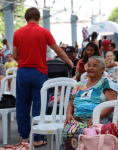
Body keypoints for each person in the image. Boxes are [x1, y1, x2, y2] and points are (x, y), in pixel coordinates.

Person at [12, 7, 73, 147]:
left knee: (22, 105)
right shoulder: (44, 32)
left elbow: (15, 56)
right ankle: (38, 138)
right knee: (40, 105)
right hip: (39, 73)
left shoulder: (17, 33)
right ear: (39, 18)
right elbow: (59, 51)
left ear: (26, 18)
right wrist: (70, 63)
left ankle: (25, 139)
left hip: (22, 72)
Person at [60, 56, 118, 149]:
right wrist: (68, 115)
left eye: (94, 66)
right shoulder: (79, 84)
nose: (90, 68)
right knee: (68, 131)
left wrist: (98, 115)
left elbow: (113, 104)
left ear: (102, 69)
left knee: (88, 133)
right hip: (78, 118)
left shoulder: (106, 83)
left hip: (99, 119)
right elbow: (71, 104)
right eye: (89, 65)